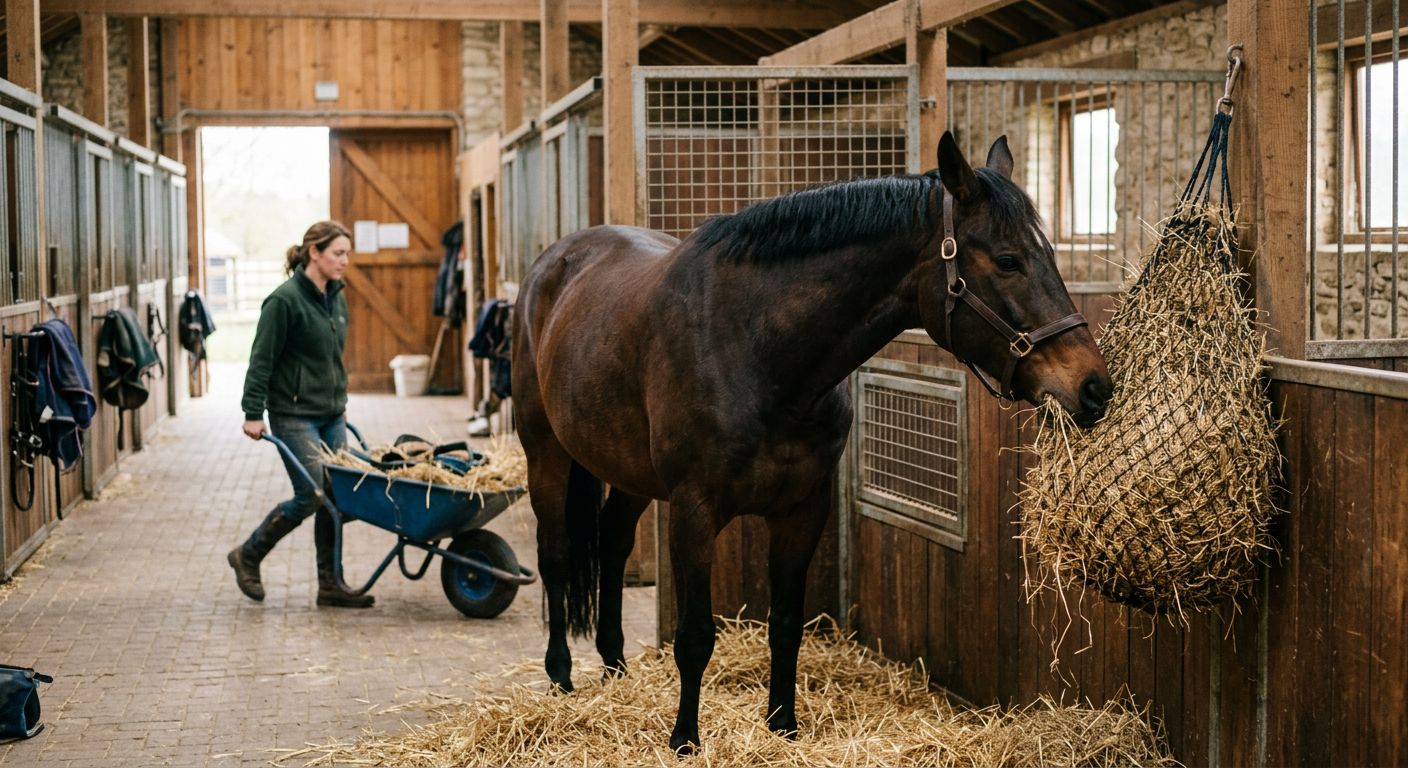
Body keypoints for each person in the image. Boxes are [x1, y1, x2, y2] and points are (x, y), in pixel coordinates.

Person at [227, 221, 373, 608]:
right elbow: (261, 361)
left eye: (347, 253)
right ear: (314, 253)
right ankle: (248, 554)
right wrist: (252, 412)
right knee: (311, 493)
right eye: (338, 253)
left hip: (331, 413)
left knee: (339, 495)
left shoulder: (336, 296)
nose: (345, 261)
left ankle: (330, 584)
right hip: (293, 414)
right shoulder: (284, 301)